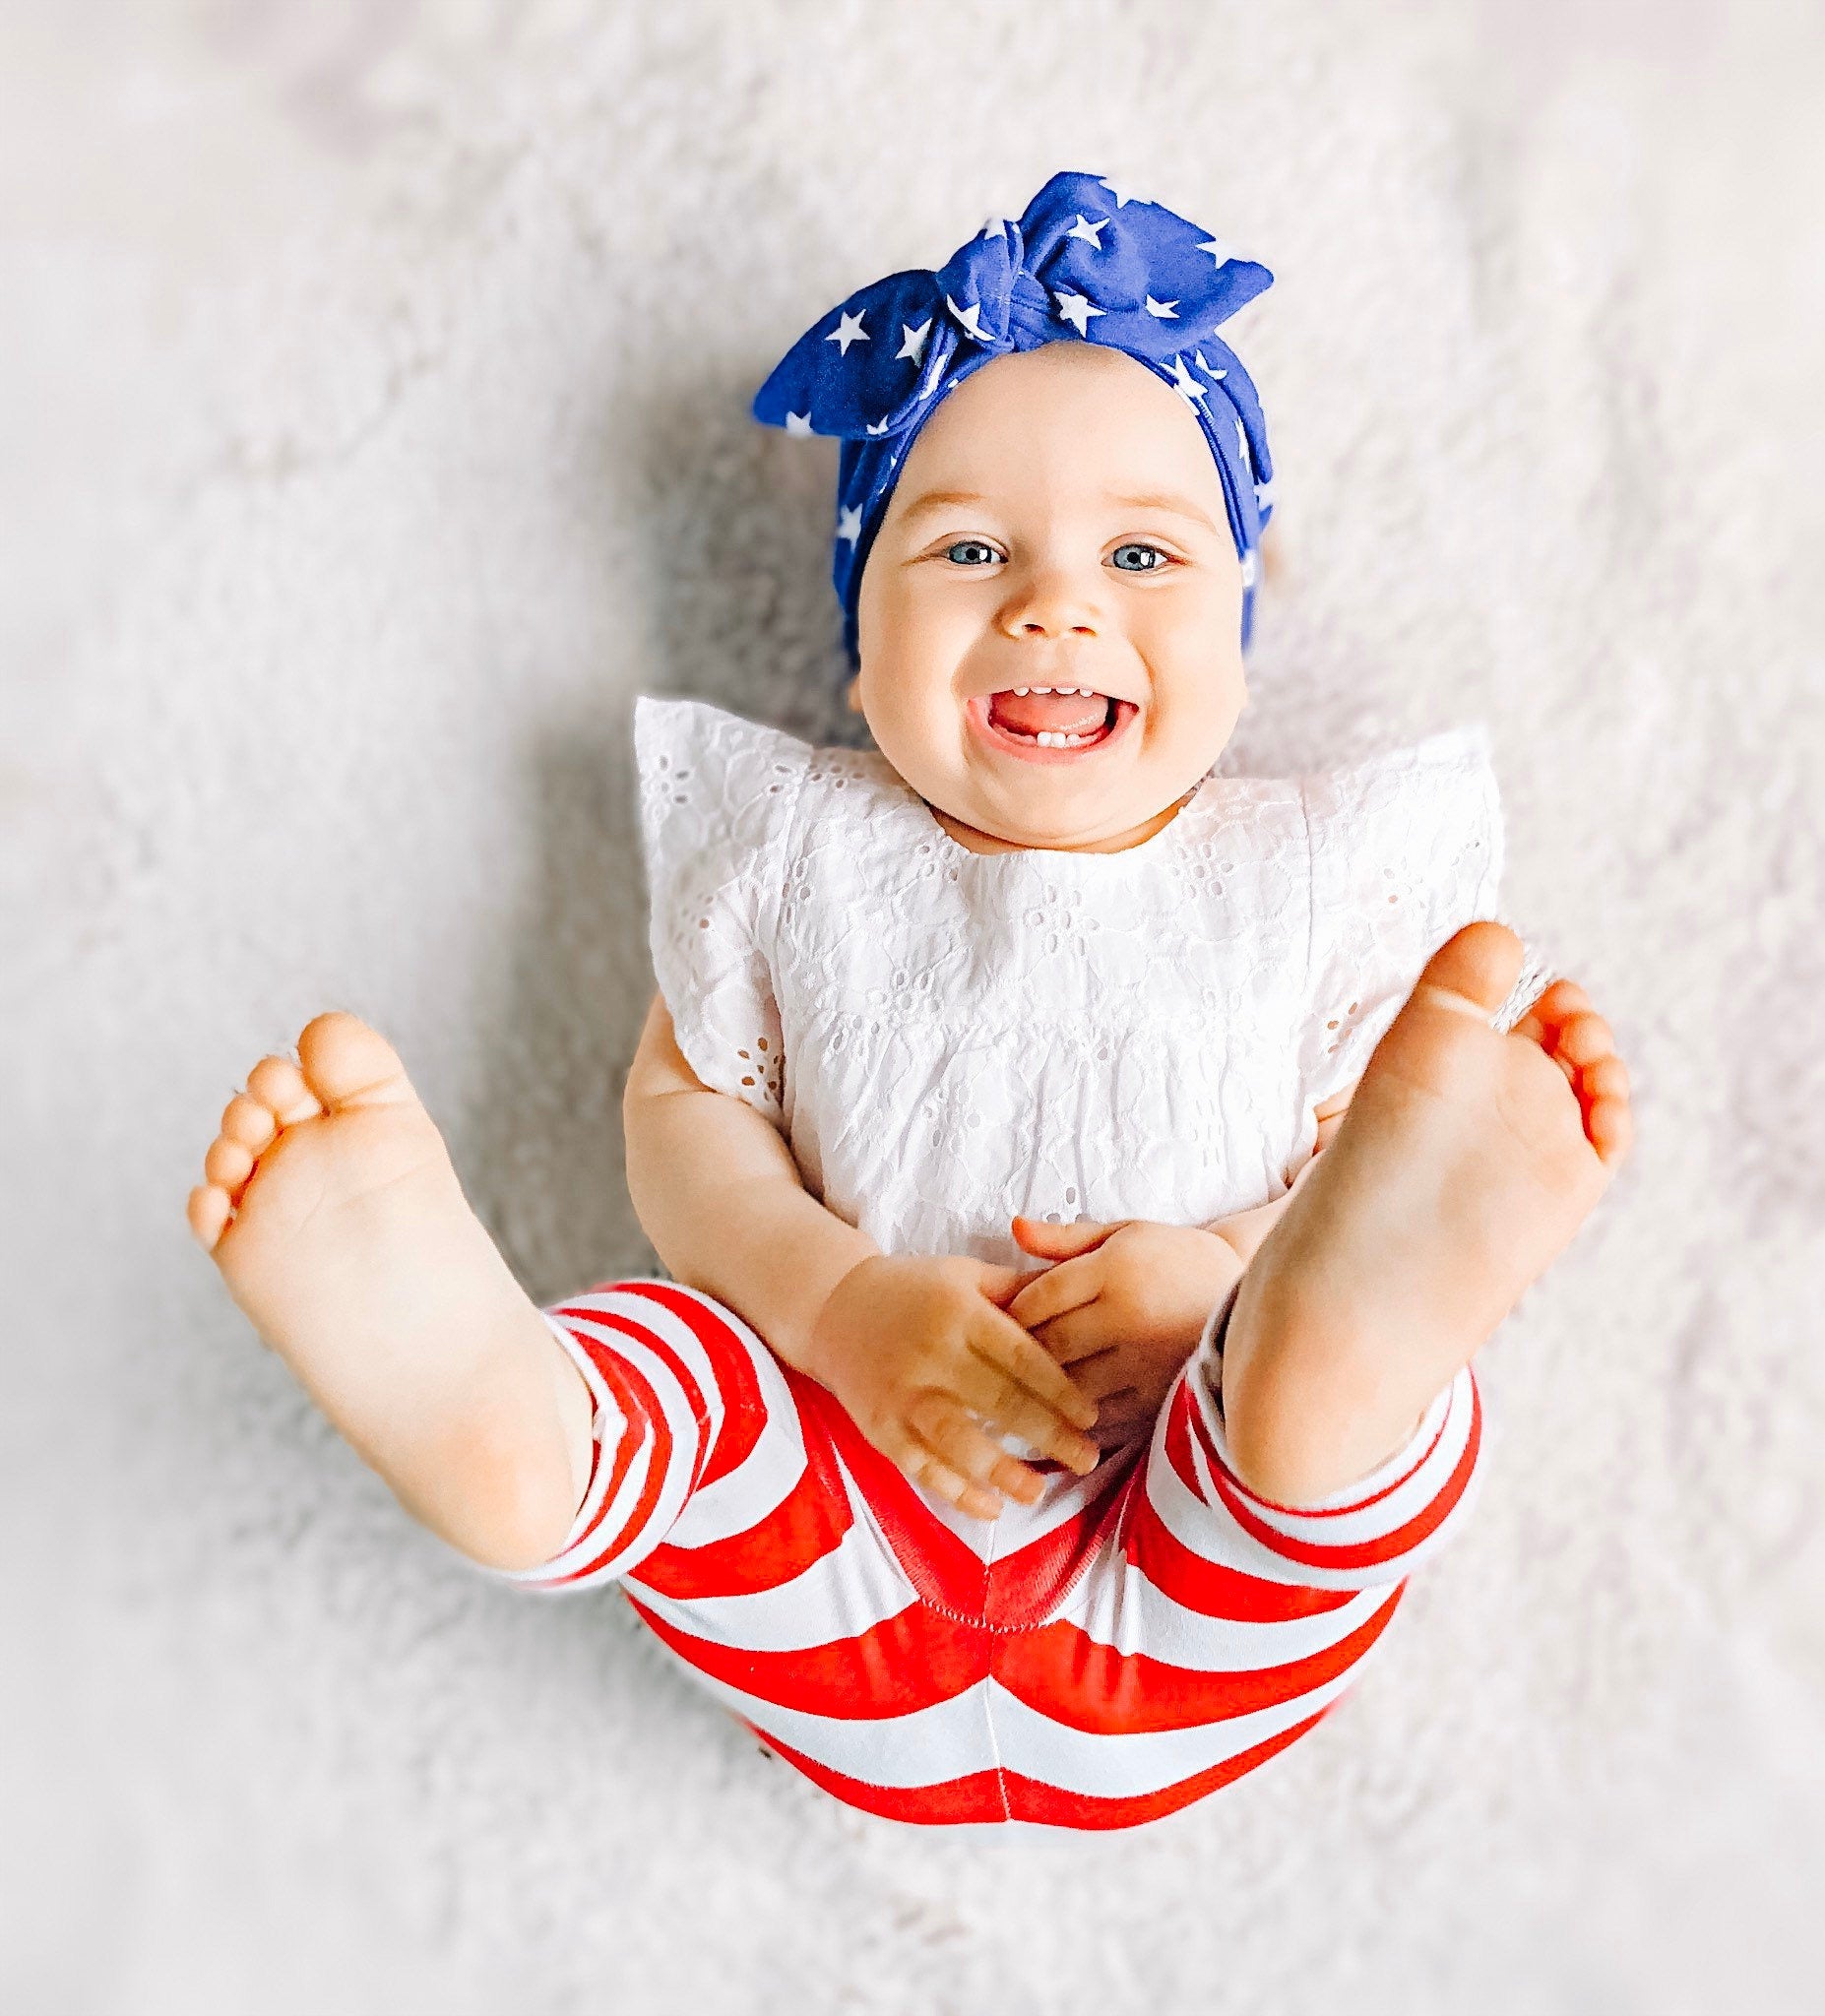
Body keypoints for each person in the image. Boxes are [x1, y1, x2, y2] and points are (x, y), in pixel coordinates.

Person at [186, 170, 1632, 1829]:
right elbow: (685, 1130)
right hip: (833, 1550)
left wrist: (1228, 1277)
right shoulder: (797, 854)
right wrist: (834, 1312)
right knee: (696, 1368)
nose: (1054, 603)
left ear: (1242, 633)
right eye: (966, 548)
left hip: (1201, 1569)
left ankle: (1313, 1362)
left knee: (1363, 1406)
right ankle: (532, 1445)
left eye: (1145, 553)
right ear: (860, 643)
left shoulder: (1315, 882)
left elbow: (1352, 1154)